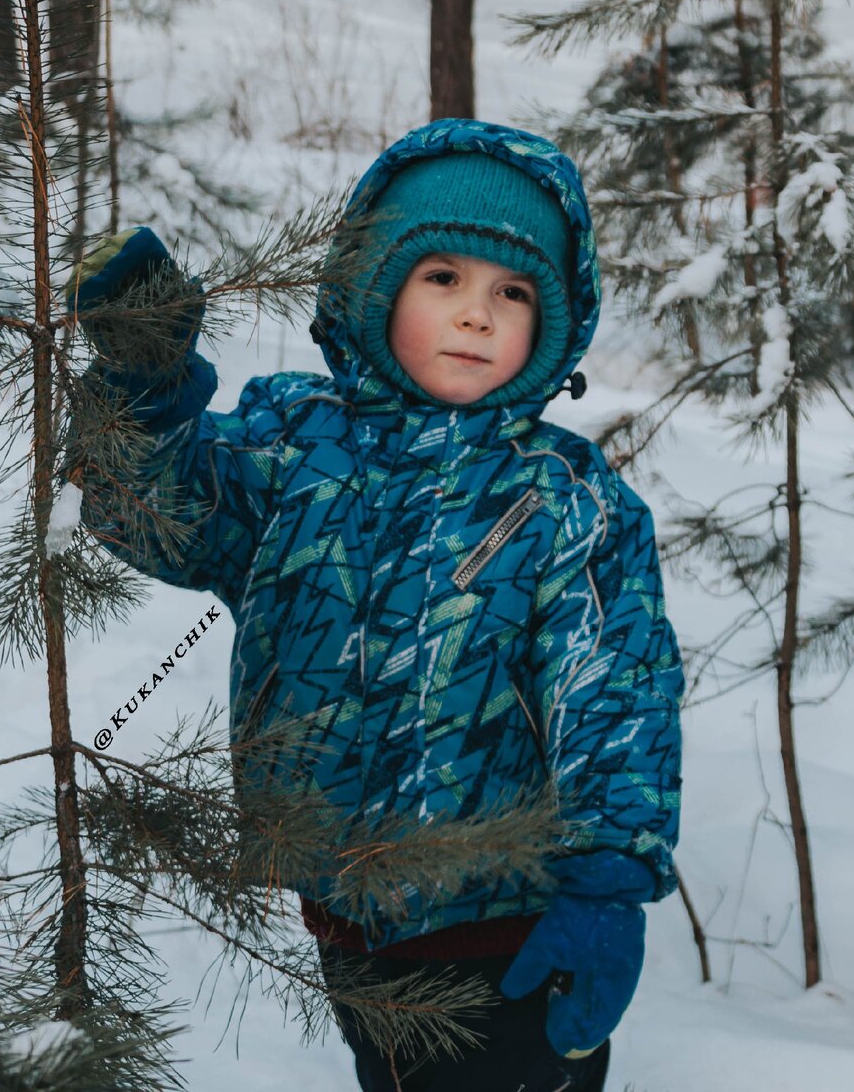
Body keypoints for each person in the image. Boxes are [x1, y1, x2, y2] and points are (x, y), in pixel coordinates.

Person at [65, 119, 684, 1092]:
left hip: (512, 930)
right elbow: (159, 516)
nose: (477, 316)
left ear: (551, 323)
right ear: (372, 287)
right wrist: (142, 390)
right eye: (443, 278)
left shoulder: (569, 501)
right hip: (350, 923)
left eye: (512, 292)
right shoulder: (292, 448)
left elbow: (615, 695)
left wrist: (608, 882)